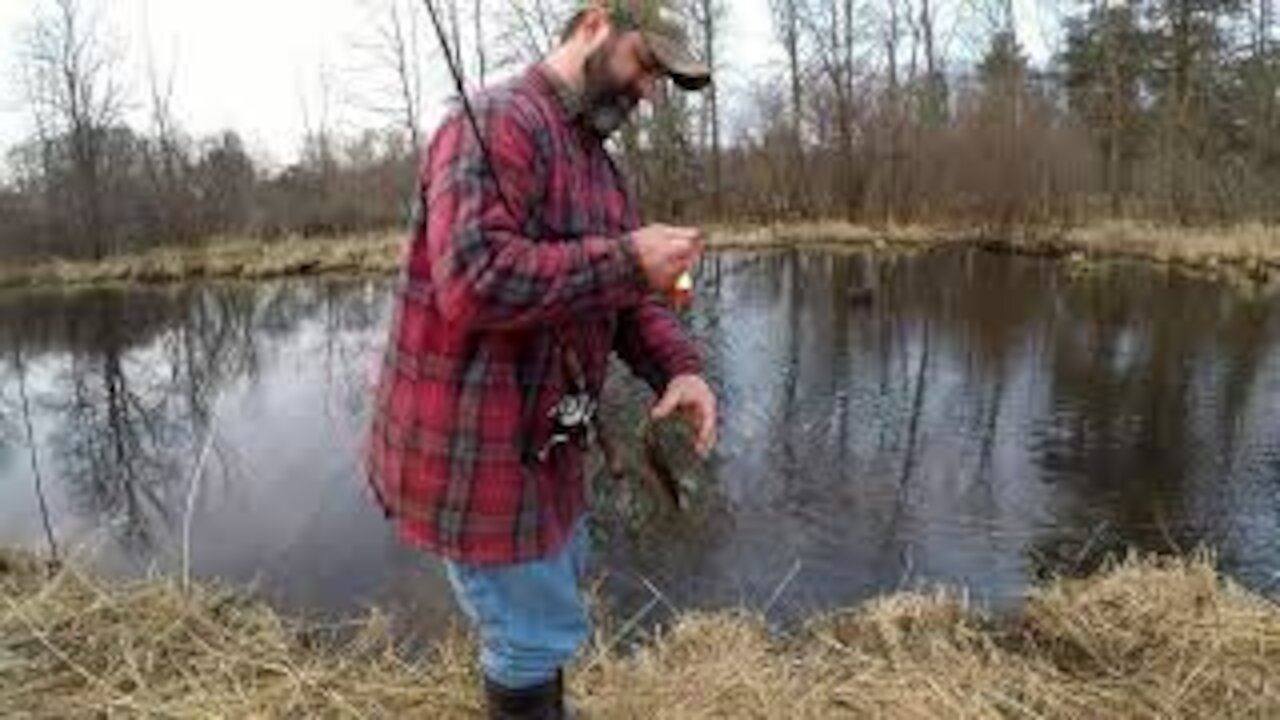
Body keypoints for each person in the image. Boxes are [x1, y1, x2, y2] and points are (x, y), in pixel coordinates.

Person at [365, 1, 718, 717]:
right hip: (479, 459)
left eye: (659, 80)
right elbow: (474, 279)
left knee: (545, 624)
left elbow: (629, 301)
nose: (648, 91)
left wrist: (678, 367)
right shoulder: (495, 124)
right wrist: (626, 257)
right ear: (595, 23)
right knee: (529, 637)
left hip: (550, 448)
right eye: (645, 64)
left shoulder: (602, 170)